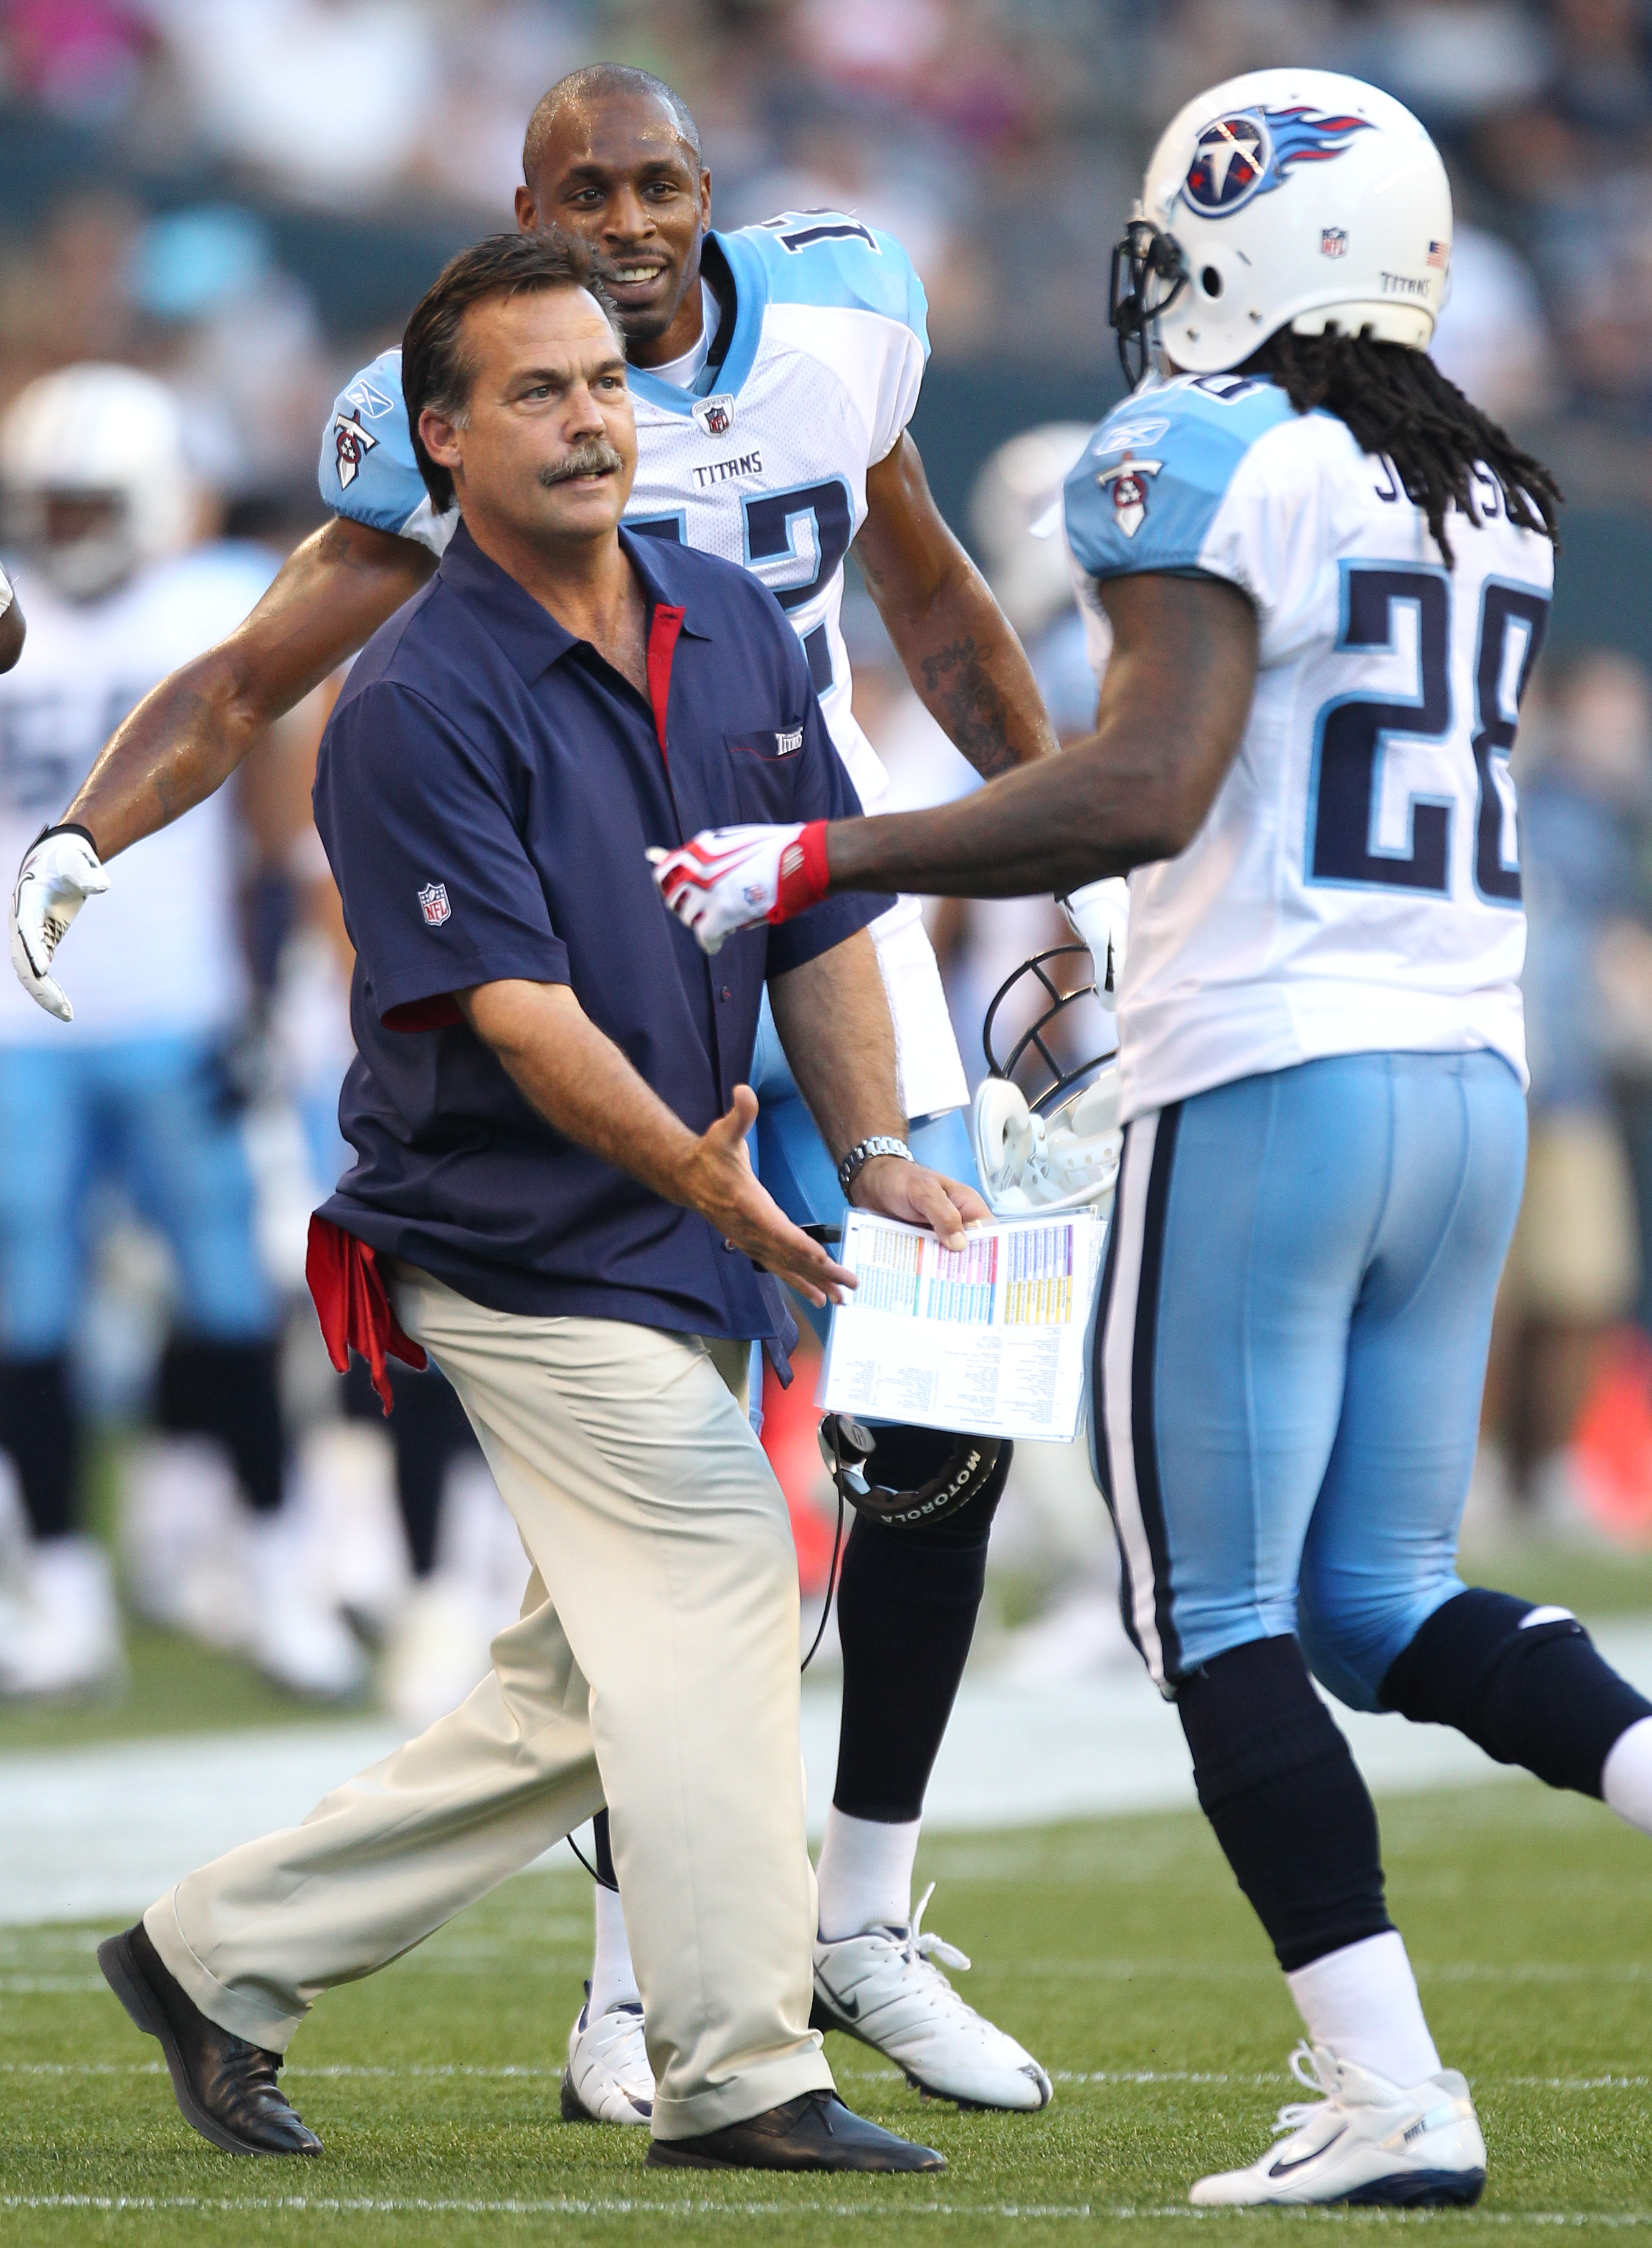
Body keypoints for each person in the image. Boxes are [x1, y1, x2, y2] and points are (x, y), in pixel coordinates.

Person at [12, 65, 1058, 2117]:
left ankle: (244, 1953)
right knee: (707, 1575)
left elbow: (915, 633)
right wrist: (86, 835)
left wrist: (1037, 909)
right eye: (584, 202)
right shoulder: (431, 636)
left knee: (799, 1526)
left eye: (661, 187)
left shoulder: (777, 530)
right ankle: (716, 2044)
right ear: (454, 422)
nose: (627, 241)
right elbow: (277, 716)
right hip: (570, 1089)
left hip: (777, 973)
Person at [651, 67, 1652, 2208]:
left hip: (1274, 1077)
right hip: (1465, 1080)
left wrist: (813, 849)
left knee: (1208, 1616)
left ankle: (1389, 2090)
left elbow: (1141, 790)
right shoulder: (1490, 489)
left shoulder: (1201, 447)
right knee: (1379, 1604)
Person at [0, 363, 363, 1699]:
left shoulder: (212, 604)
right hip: (18, 1033)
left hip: (179, 1010)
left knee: (229, 1306)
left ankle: (281, 1582)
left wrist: (274, 990)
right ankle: (65, 1604)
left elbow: (278, 815)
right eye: (52, 503)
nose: (70, 529)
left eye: (95, 503)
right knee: (23, 1319)